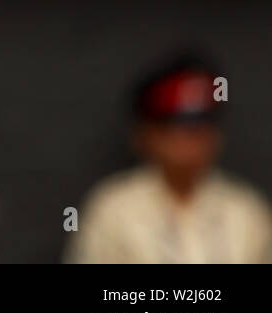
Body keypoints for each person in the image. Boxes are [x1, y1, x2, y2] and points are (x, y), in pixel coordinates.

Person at [66, 54, 272, 264]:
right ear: (144, 136)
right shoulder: (113, 209)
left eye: (196, 131)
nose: (184, 143)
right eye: (171, 130)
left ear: (215, 136)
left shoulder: (246, 211)